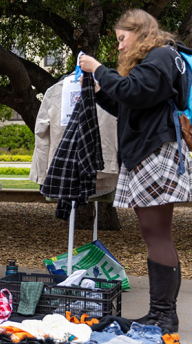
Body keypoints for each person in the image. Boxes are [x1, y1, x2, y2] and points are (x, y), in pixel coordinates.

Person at [79, 9, 191, 332]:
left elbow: (134, 92)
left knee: (156, 234)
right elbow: (129, 102)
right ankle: (161, 314)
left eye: (121, 38)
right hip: (152, 152)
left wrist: (98, 69)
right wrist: (101, 92)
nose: (118, 46)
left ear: (140, 31)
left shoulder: (160, 57)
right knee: (156, 234)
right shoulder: (159, 61)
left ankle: (163, 316)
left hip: (154, 153)